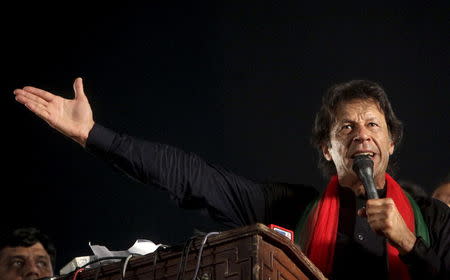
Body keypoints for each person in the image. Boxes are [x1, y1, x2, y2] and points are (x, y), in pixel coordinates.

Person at [13, 78, 449, 279]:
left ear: (392, 142)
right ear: (327, 148)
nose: (361, 136)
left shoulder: (435, 219)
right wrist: (94, 135)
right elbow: (191, 177)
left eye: (373, 125)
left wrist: (410, 244)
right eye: (346, 128)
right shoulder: (290, 209)